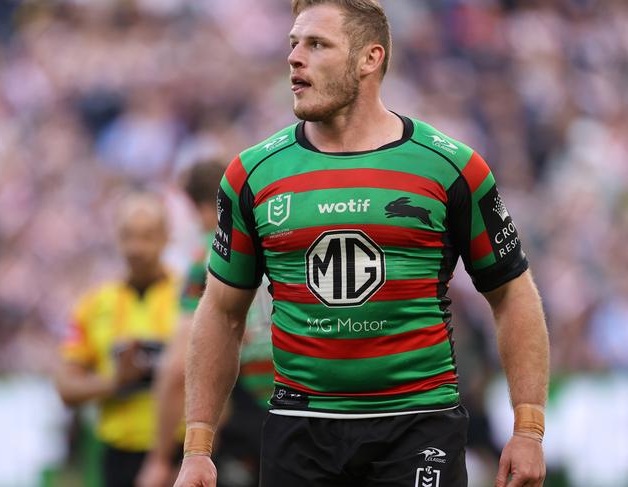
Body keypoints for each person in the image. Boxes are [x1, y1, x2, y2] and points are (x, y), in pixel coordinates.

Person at [174, 1, 550, 486]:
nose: (294, 58)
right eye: (293, 44)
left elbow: (512, 294)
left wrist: (529, 429)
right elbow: (222, 312)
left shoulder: (451, 167)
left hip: (418, 425)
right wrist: (197, 447)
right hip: (299, 431)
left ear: (369, 59)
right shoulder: (252, 174)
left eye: (316, 44)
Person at [137, 162, 273, 487]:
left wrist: (159, 458)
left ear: (199, 208)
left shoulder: (210, 258)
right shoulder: (277, 241)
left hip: (248, 411)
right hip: (304, 400)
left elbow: (177, 369)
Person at [55, 192, 181, 487]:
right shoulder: (94, 305)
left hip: (181, 453)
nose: (136, 248)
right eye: (128, 236)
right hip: (119, 455)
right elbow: (65, 386)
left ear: (166, 237)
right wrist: (116, 381)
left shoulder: (190, 296)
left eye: (147, 236)